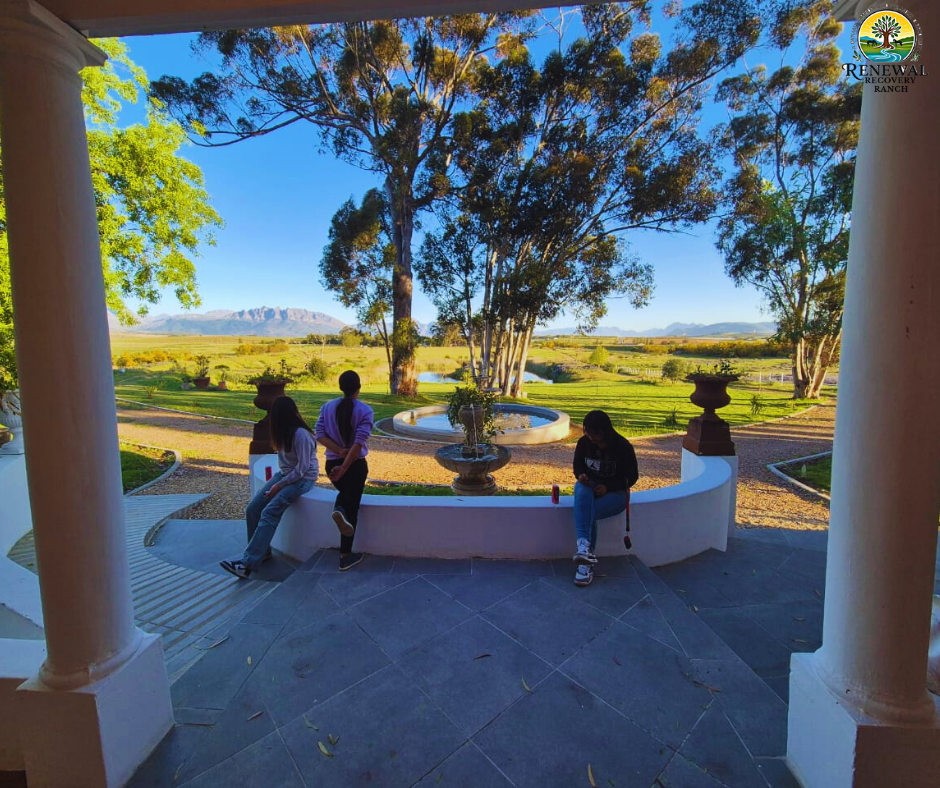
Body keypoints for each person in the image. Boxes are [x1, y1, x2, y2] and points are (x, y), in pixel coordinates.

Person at [221, 396, 318, 579]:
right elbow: (287, 468)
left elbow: (302, 469)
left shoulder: (302, 435)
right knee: (253, 509)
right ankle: (262, 553)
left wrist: (278, 486)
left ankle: (247, 564)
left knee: (270, 512)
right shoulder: (283, 433)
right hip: (286, 474)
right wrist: (279, 482)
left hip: (303, 478)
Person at [571, 409, 639, 587]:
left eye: (596, 434)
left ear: (605, 431)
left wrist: (608, 487)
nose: (592, 438)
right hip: (590, 487)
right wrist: (581, 475)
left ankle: (585, 561)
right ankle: (584, 550)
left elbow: (632, 477)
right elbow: (577, 465)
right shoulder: (583, 443)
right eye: (588, 433)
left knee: (587, 513)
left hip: (616, 493)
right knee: (580, 488)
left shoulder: (623, 447)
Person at [315, 370, 374, 571]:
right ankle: (345, 556)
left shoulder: (327, 407)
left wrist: (339, 453)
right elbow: (358, 444)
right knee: (352, 509)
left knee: (346, 499)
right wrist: (345, 465)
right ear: (359, 387)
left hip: (331, 464)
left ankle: (339, 509)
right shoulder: (365, 410)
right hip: (354, 467)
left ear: (340, 387)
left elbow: (319, 435)